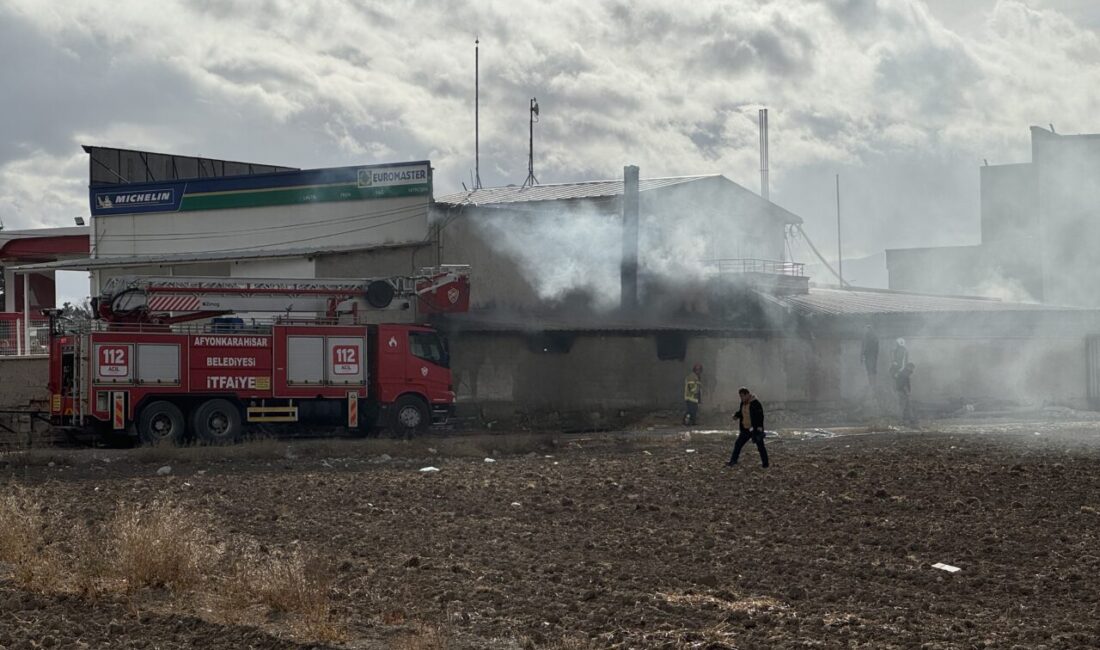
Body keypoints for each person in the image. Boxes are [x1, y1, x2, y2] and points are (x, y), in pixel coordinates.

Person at [726, 387, 769, 468]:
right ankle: (733, 461)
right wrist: (736, 416)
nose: (741, 398)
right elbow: (741, 412)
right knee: (738, 444)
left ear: (747, 394)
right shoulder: (743, 403)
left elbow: (760, 416)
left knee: (760, 447)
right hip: (745, 429)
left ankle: (765, 464)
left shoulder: (755, 403)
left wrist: (760, 427)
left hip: (755, 429)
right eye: (740, 396)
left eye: (742, 396)